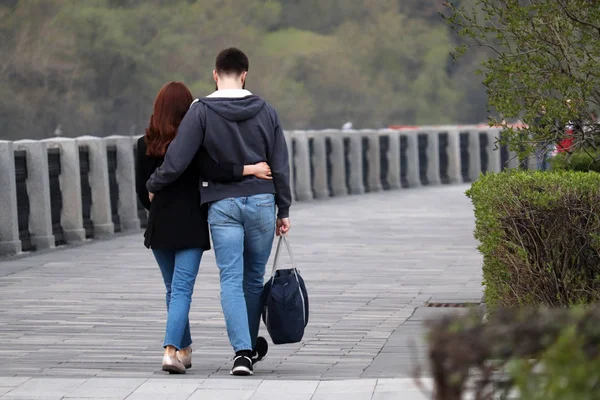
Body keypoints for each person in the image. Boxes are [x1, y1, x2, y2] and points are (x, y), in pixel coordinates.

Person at [146, 48, 292, 376]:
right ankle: (249, 350)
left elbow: (178, 160)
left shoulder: (201, 110)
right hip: (261, 202)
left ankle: (242, 351)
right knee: (253, 278)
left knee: (230, 278)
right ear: (245, 74)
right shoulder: (266, 110)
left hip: (223, 206)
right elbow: (280, 164)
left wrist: (153, 183)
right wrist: (283, 208)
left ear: (215, 74)